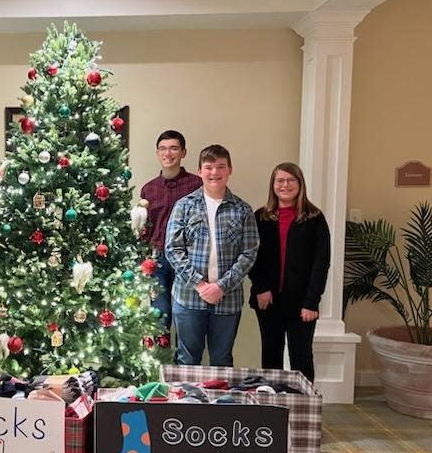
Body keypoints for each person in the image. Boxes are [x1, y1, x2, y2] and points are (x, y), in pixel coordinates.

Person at [165, 144, 259, 366]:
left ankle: (220, 402)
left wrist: (221, 286)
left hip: (228, 300)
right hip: (188, 297)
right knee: (186, 359)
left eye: (220, 167)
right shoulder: (184, 206)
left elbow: (249, 252)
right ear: (200, 171)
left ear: (229, 170)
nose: (214, 173)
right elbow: (173, 249)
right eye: (208, 167)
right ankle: (187, 402)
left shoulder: (242, 209)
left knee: (221, 360)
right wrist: (199, 284)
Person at [249, 163, 330, 382]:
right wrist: (261, 287)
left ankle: (302, 409)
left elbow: (321, 263)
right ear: (273, 185)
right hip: (268, 300)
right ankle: (272, 409)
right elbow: (252, 257)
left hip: (302, 302)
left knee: (301, 357)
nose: (285, 185)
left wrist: (312, 302)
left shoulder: (314, 218)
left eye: (290, 180)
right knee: (270, 355)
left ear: (299, 183)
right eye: (280, 181)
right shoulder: (261, 217)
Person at [140, 130, 202, 337]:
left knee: (185, 319)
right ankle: (160, 365)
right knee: (160, 316)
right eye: (163, 149)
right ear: (157, 153)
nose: (168, 153)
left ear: (183, 152)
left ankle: (181, 366)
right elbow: (145, 227)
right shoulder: (149, 189)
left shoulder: (197, 185)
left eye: (174, 148)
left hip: (189, 261)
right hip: (158, 263)